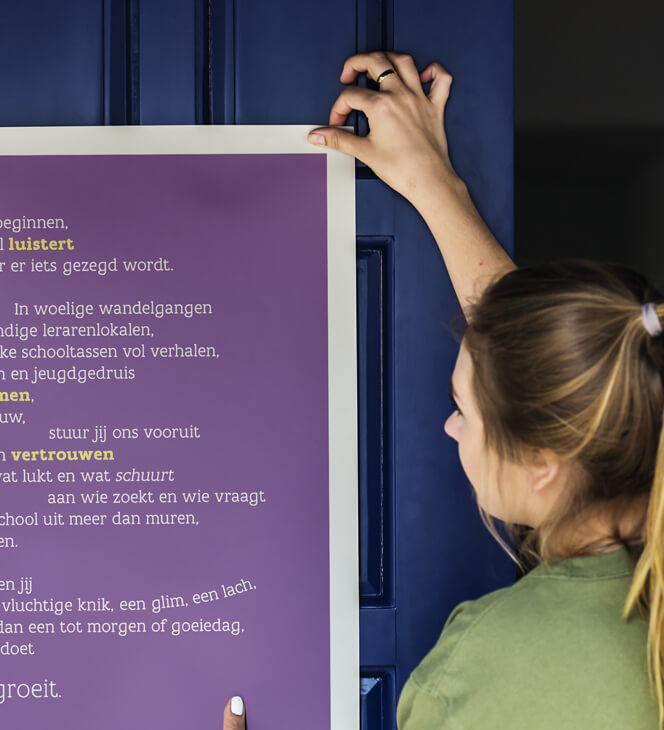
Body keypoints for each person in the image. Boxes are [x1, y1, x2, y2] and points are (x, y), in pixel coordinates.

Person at [221, 51, 663, 729]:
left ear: (544, 459)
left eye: (463, 410)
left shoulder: (491, 663)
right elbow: (545, 370)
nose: (451, 426)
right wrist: (435, 184)